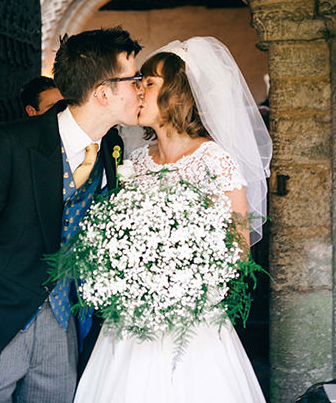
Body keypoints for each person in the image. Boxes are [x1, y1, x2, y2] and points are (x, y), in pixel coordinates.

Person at [0, 27, 143, 403]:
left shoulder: (112, 146)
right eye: (134, 79)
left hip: (63, 326)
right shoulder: (10, 143)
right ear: (103, 92)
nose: (141, 89)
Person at [73, 37, 272, 402]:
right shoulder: (138, 161)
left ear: (178, 95)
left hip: (190, 322)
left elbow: (238, 252)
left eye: (148, 83)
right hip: (132, 317)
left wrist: (177, 280)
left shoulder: (215, 160)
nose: (138, 90)